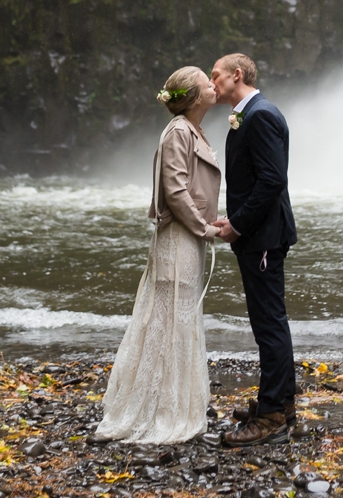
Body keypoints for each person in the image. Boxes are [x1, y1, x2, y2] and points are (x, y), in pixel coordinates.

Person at [94, 66, 221, 444]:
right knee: (168, 321)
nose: (214, 85)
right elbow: (175, 190)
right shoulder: (179, 131)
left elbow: (190, 189)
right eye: (206, 82)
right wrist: (205, 227)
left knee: (176, 320)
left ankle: (174, 406)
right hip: (179, 239)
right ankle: (158, 412)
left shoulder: (191, 128)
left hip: (188, 235)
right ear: (196, 98)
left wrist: (210, 220)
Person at [209, 52, 297, 448]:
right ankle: (280, 404)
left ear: (236, 76)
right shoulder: (251, 113)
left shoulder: (259, 115)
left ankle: (273, 416)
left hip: (261, 236)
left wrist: (238, 224)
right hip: (258, 234)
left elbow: (273, 181)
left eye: (216, 76)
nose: (212, 83)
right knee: (269, 323)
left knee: (268, 325)